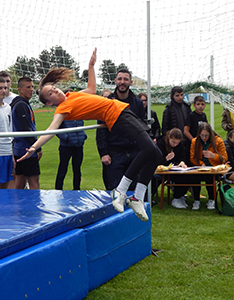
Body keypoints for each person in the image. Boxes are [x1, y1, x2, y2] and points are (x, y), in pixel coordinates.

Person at [18, 48, 162, 222]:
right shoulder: (62, 108)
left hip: (122, 111)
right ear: (49, 102)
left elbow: (92, 88)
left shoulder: (73, 95)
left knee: (156, 153)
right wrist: (34, 147)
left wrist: (91, 65)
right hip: (115, 116)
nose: (56, 91)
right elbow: (52, 129)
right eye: (51, 93)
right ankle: (121, 190)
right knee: (147, 149)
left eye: (54, 88)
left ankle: (138, 197)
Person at [96, 69, 146, 191]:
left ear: (131, 82)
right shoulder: (107, 102)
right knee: (115, 189)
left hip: (134, 152)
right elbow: (101, 129)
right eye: (119, 79)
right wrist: (104, 152)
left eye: (125, 79)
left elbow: (142, 126)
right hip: (114, 153)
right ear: (115, 81)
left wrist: (143, 149)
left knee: (134, 190)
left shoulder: (137, 103)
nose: (122, 82)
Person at [10, 77, 42, 189]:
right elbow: (26, 129)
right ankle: (35, 205)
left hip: (19, 148)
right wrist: (37, 147)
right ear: (20, 90)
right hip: (27, 149)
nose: (32, 89)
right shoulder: (21, 105)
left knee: (20, 180)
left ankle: (16, 205)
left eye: (32, 86)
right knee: (34, 181)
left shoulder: (20, 103)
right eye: (28, 87)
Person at [190, 123, 228, 210]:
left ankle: (212, 199)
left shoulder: (218, 141)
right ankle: (196, 200)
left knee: (210, 178)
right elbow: (192, 158)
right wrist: (201, 163)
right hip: (200, 168)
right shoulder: (194, 141)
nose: (204, 137)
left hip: (213, 168)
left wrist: (213, 156)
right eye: (202, 135)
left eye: (206, 135)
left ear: (210, 134)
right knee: (194, 177)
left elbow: (225, 158)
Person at [155, 128, 190, 209]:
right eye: (173, 142)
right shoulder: (161, 143)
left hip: (175, 170)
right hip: (162, 170)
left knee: (186, 176)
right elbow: (156, 161)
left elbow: (182, 157)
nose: (175, 144)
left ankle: (179, 196)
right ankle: (177, 197)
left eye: (177, 143)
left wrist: (182, 162)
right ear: (169, 137)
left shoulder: (180, 145)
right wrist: (166, 159)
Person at [55, 118, 87, 190]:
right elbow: (56, 129)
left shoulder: (78, 115)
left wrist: (83, 136)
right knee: (63, 168)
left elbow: (81, 126)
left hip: (78, 146)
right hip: (66, 146)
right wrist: (66, 138)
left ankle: (77, 189)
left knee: (77, 169)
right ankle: (58, 189)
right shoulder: (63, 115)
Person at [162, 86, 192, 162]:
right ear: (172, 96)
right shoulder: (168, 110)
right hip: (174, 142)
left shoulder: (187, 107)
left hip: (187, 141)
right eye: (177, 95)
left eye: (181, 95)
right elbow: (165, 128)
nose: (180, 97)